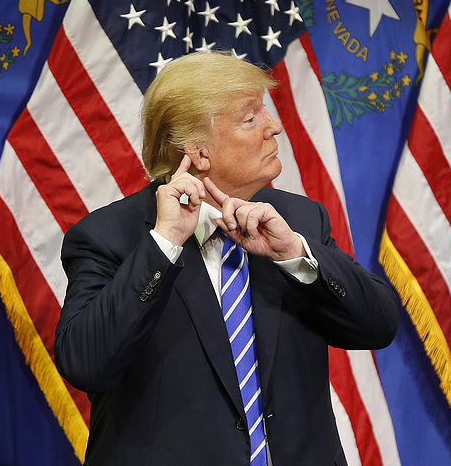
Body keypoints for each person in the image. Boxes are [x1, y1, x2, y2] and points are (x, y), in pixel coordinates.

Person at [53, 51, 401, 465]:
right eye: (250, 118)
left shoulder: (299, 220)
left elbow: (378, 326)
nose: (274, 126)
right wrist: (165, 244)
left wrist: (294, 255)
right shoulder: (109, 236)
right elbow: (86, 365)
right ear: (198, 152)